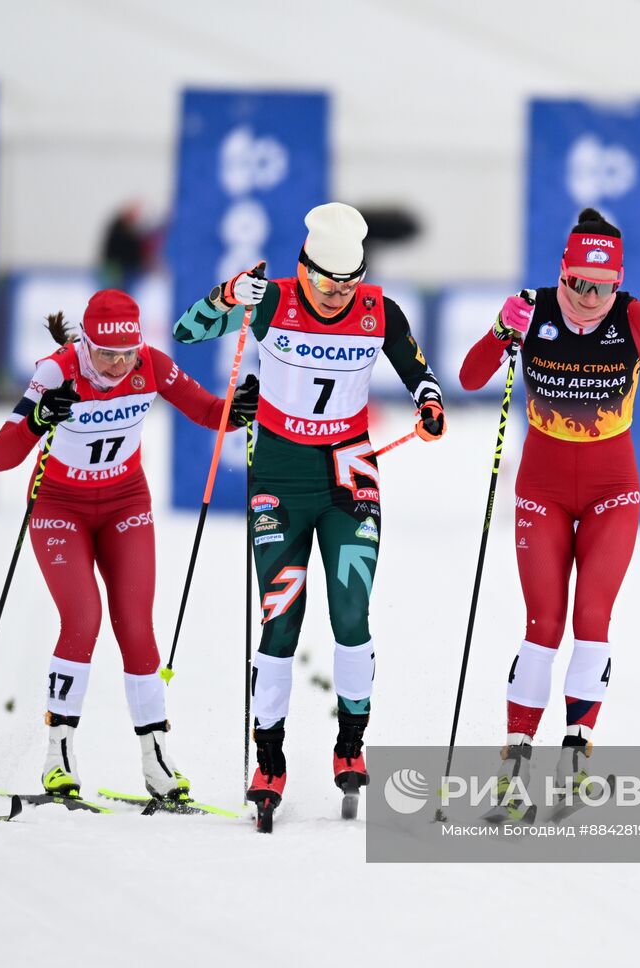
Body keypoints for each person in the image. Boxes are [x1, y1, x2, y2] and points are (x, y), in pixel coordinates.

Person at [173, 202, 445, 820]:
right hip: (278, 475)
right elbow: (187, 332)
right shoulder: (273, 301)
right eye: (322, 282)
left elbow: (418, 372)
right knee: (280, 619)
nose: (333, 295)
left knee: (351, 611)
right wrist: (225, 296)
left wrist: (429, 403)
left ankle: (351, 744)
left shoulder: (379, 311)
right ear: (303, 269)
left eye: (346, 284)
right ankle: (269, 758)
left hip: (350, 476)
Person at [459, 208, 640, 811]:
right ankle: (516, 759)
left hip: (614, 490)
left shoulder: (637, 316)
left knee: (592, 617)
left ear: (618, 282)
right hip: (542, 490)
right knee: (544, 624)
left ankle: (577, 751)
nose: (587, 297)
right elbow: (471, 377)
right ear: (562, 274)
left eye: (601, 286)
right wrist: (501, 335)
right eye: (577, 282)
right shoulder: (531, 309)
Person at [0, 289, 256, 804]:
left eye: (127, 353)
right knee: (83, 619)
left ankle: (157, 758)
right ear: (85, 344)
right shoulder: (55, 372)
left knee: (136, 625)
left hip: (124, 502)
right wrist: (39, 418)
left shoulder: (150, 365)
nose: (117, 365)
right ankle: (58, 755)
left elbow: (208, 412)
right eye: (106, 354)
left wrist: (239, 408)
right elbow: (3, 456)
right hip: (59, 506)